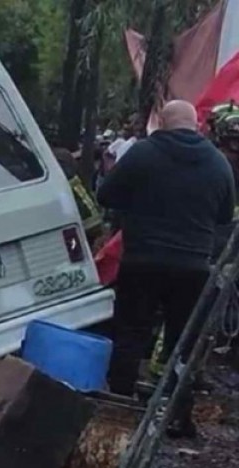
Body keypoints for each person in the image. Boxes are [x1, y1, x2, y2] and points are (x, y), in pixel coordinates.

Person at [97, 100, 236, 438]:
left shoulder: (144, 154)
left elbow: (106, 194)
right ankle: (178, 414)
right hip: (192, 265)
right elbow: (223, 215)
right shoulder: (218, 164)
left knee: (130, 332)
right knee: (182, 341)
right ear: (197, 126)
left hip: (142, 260)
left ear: (162, 124)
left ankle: (118, 407)